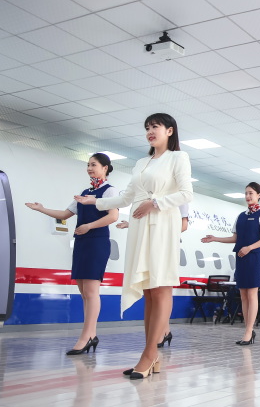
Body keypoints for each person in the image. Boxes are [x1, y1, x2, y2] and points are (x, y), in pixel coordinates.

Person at [75, 113, 193, 379]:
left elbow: (187, 193)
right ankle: (151, 355)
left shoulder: (178, 157)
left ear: (170, 131)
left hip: (162, 224)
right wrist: (95, 202)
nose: (150, 131)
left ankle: (149, 353)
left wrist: (155, 203)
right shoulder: (141, 162)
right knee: (148, 291)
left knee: (160, 287)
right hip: (140, 227)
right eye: (147, 127)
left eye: (155, 127)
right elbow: (127, 197)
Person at [25, 153, 119, 355]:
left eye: (93, 165)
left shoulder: (109, 191)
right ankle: (91, 335)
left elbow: (113, 216)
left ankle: (86, 337)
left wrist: (89, 226)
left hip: (97, 242)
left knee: (91, 292)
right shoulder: (85, 193)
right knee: (84, 292)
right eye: (88, 165)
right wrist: (41, 209)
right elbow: (64, 214)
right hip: (82, 242)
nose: (89, 168)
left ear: (105, 168)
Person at [201, 182, 260, 346]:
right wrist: (215, 238)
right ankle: (248, 329)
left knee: (252, 294)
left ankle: (249, 331)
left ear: (259, 195)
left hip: (253, 257)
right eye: (246, 193)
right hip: (241, 257)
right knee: (243, 295)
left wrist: (250, 248)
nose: (248, 196)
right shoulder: (240, 216)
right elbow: (235, 238)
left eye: (251, 193)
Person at [116, 203, 189, 348]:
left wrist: (164, 233)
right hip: (151, 244)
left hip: (164, 244)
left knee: (162, 290)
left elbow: (183, 225)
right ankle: (163, 332)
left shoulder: (179, 196)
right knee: (151, 292)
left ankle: (160, 335)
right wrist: (133, 225)